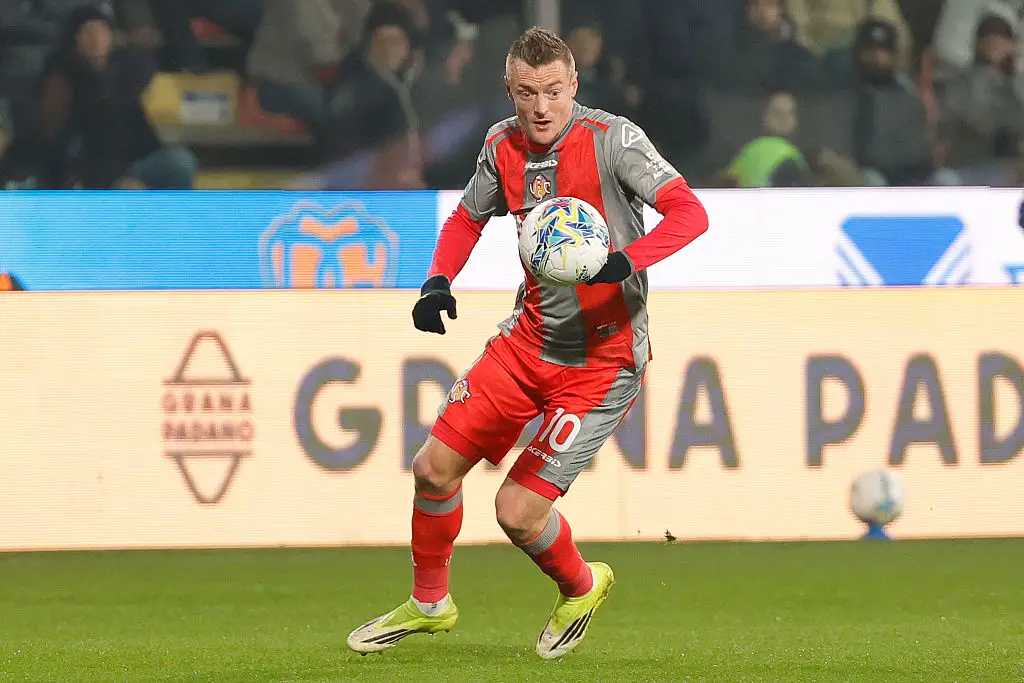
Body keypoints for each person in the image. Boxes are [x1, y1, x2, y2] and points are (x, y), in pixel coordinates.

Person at [347, 27, 709, 659]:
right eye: (526, 93)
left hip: (603, 362)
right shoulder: (503, 145)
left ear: (574, 86)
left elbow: (690, 214)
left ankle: (582, 584)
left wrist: (625, 262)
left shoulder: (613, 140)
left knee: (516, 512)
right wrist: (437, 280)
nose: (541, 108)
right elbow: (467, 217)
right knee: (432, 468)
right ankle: (431, 603)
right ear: (509, 92)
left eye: (553, 91)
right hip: (528, 342)